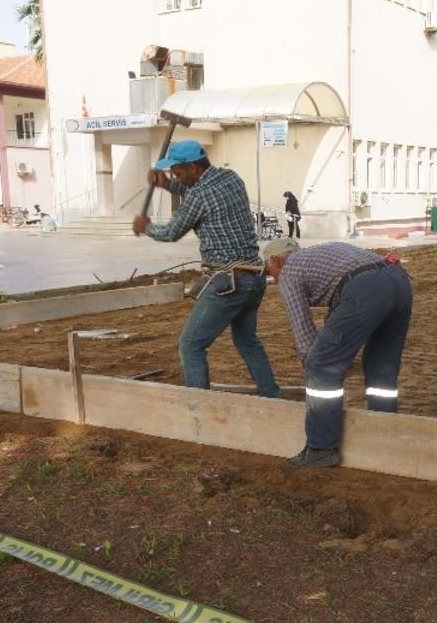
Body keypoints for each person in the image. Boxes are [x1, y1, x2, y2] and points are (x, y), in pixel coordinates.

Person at [132, 140, 281, 397]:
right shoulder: (230, 178)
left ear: (193, 168)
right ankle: (271, 396)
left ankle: (198, 408)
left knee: (190, 344)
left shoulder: (198, 196)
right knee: (247, 341)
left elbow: (171, 232)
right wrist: (167, 184)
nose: (176, 177)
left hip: (229, 282)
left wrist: (145, 227)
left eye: (177, 173)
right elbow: (195, 192)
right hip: (253, 277)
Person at [261, 238, 413, 468]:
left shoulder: (290, 271)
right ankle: (384, 429)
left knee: (320, 365)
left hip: (366, 290)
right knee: (381, 364)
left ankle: (321, 448)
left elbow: (302, 328)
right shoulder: (318, 256)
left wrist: (312, 363)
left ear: (277, 260)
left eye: (269, 270)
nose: (271, 277)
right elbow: (339, 305)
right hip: (399, 281)